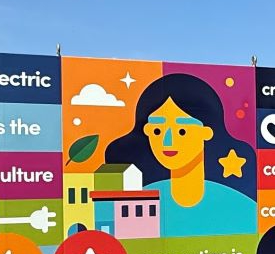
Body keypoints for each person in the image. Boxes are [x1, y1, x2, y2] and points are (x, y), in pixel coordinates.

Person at [106, 73, 255, 237]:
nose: (167, 142)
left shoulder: (238, 202)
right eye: (157, 131)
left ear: (207, 132)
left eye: (182, 131)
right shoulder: (138, 203)